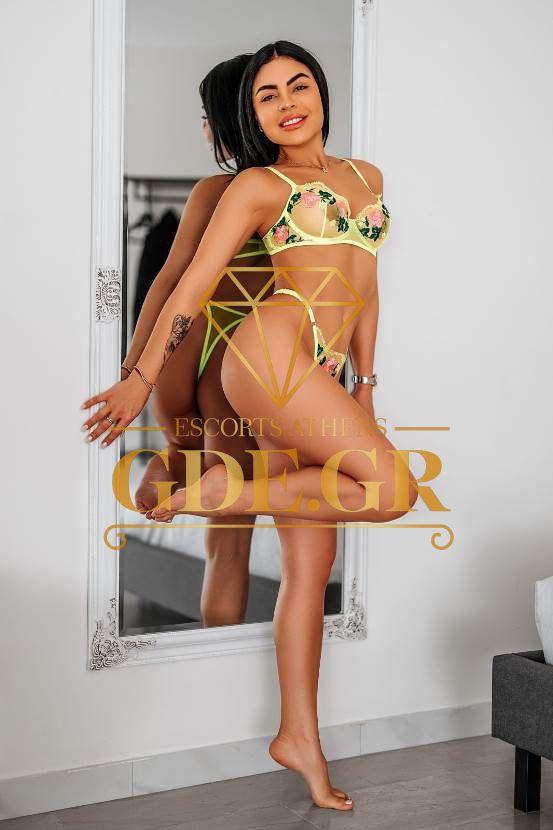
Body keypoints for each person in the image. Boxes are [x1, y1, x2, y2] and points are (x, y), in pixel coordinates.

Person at [82, 40, 419, 810]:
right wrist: (139, 377)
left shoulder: (365, 178)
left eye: (298, 85)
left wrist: (364, 386)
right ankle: (208, 485)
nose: (287, 102)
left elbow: (365, 287)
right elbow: (185, 288)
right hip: (261, 356)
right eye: (267, 95)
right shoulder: (251, 187)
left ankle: (299, 736)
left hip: (313, 374)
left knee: (308, 563)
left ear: (321, 92)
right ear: (252, 114)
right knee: (390, 490)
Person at [120, 53, 272, 626]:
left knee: (186, 449)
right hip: (237, 365)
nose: (204, 129)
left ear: (227, 120)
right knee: (229, 541)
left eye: (206, 117)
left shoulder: (215, 190)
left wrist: (133, 371)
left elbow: (167, 282)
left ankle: (176, 458)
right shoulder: (294, 195)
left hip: (182, 355)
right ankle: (184, 466)